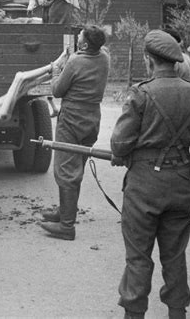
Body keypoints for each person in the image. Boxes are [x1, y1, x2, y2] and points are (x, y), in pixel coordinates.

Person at [110, 29, 190, 319]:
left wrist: (123, 157)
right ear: (175, 61)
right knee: (175, 258)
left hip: (144, 187)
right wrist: (186, 164)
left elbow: (119, 144)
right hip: (181, 185)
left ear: (148, 59)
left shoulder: (140, 93)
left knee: (138, 259)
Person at [40, 25, 110, 241]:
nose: (77, 37)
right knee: (76, 167)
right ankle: (64, 212)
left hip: (71, 120)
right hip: (92, 120)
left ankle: (67, 226)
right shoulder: (104, 57)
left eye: (80, 36)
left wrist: (55, 70)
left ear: (85, 44)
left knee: (65, 170)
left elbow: (57, 90)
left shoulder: (75, 62)